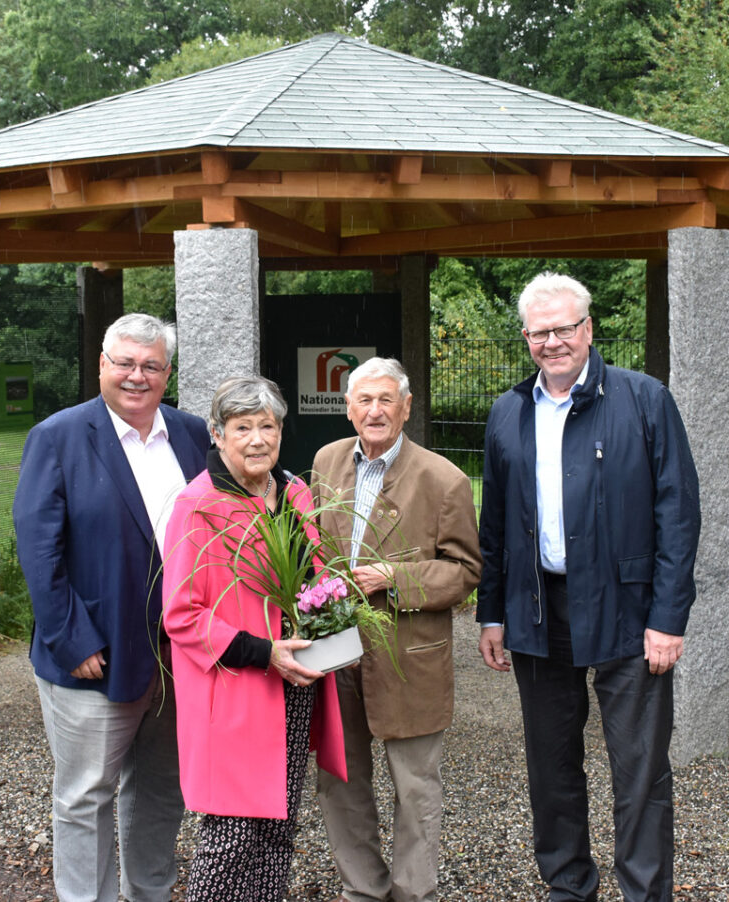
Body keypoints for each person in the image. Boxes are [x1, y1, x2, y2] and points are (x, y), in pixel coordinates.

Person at [476, 273, 701, 902]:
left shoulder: (644, 399)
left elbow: (678, 516)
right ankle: (568, 887)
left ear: (588, 329)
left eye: (564, 329)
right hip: (538, 610)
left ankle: (644, 893)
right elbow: (493, 526)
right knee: (551, 768)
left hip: (630, 611)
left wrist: (669, 618)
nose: (553, 342)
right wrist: (491, 614)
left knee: (640, 772)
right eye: (540, 332)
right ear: (526, 338)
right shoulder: (508, 412)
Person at [12, 313, 209, 902]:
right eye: (123, 362)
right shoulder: (59, 436)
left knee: (160, 793)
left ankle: (148, 895)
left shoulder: (194, 434)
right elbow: (38, 546)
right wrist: (72, 639)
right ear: (102, 364)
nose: (135, 376)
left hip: (179, 659)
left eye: (150, 365)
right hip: (93, 653)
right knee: (84, 798)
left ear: (167, 373)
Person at [162, 375, 347, 902]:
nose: (257, 439)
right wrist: (264, 652)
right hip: (237, 689)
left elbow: (313, 577)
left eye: (267, 426)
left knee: (279, 825)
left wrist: (335, 618)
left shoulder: (293, 492)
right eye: (242, 427)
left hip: (294, 686)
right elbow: (181, 613)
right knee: (230, 836)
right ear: (218, 436)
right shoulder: (197, 506)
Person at [310, 357, 482, 902]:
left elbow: (467, 570)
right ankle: (362, 888)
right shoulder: (325, 461)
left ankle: (413, 892)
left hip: (410, 654)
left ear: (407, 407)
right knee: (340, 780)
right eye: (364, 400)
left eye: (387, 400)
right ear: (348, 408)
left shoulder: (443, 479)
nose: (375, 411)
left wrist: (396, 577)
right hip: (337, 650)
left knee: (414, 788)